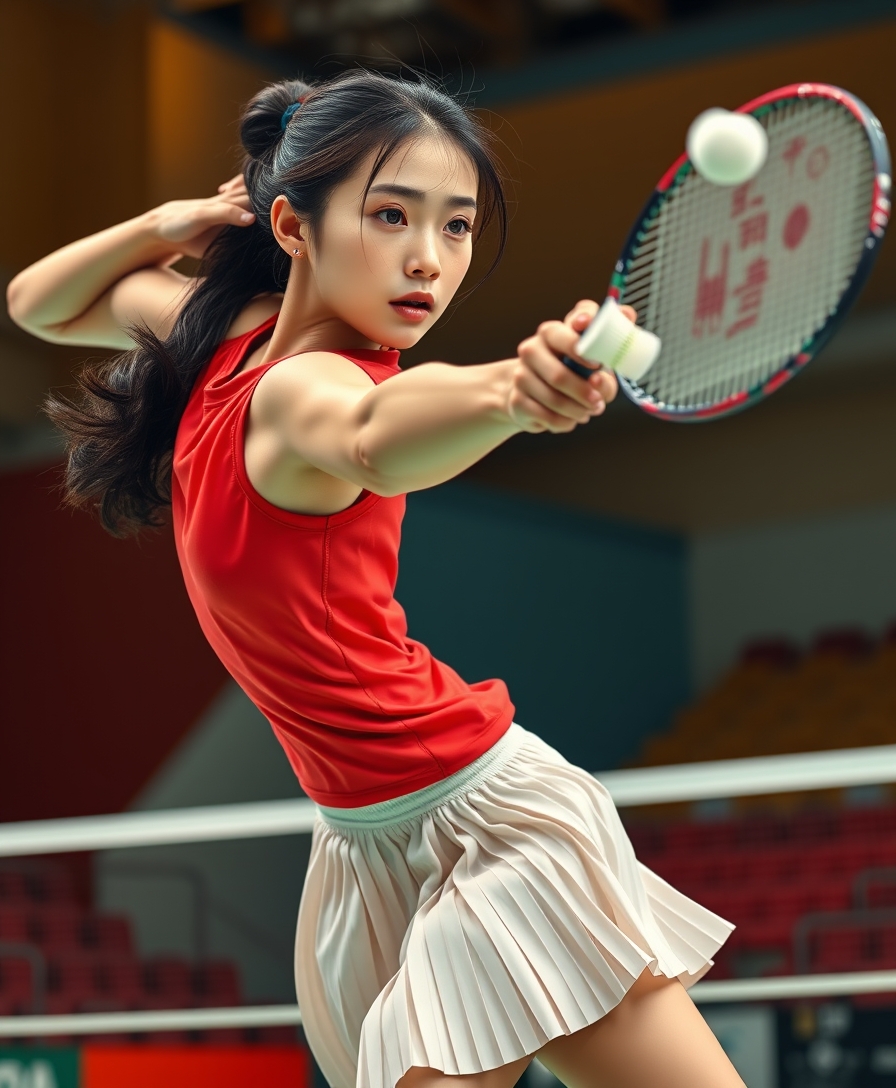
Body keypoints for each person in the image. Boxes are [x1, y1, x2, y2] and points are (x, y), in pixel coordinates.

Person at [6, 68, 743, 1088]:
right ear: (293, 224)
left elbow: (370, 433)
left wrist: (511, 395)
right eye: (390, 214)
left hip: (488, 823)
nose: (426, 260)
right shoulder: (220, 333)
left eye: (455, 227)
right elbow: (37, 299)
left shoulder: (316, 388)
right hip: (362, 846)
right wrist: (170, 220)